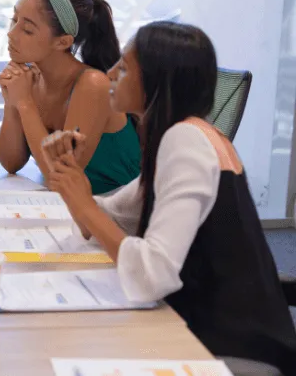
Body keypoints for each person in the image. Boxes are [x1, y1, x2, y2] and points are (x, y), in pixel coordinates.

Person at [43, 22, 296, 373]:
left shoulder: (185, 142)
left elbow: (153, 272)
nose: (112, 71)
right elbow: (112, 218)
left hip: (232, 348)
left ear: (157, 82)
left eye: (126, 67)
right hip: (202, 328)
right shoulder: (182, 136)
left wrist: (84, 204)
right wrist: (71, 180)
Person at [0, 0, 139, 194]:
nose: (11, 33)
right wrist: (12, 103)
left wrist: (24, 103)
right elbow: (11, 162)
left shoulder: (92, 84)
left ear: (63, 42)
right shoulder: (31, 79)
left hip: (118, 213)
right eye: (14, 20)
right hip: (67, 209)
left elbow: (60, 177)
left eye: (27, 29)